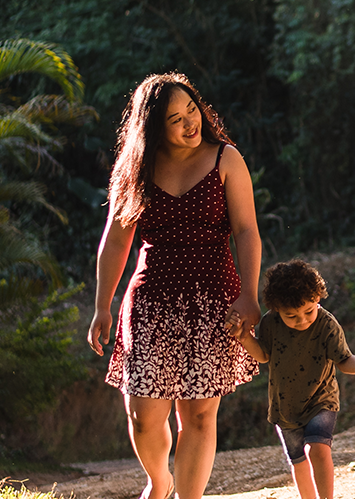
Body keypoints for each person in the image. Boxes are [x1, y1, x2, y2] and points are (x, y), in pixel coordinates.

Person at [87, 72, 264, 499]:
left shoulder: (226, 158)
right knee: (144, 415)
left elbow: (246, 231)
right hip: (150, 301)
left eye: (192, 110)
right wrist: (102, 306)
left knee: (199, 416)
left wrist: (249, 295)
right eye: (175, 120)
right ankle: (160, 481)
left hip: (213, 300)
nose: (190, 123)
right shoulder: (135, 168)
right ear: (152, 128)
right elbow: (115, 241)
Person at [235, 260, 355, 499]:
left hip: (321, 401)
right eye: (291, 315)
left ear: (318, 299)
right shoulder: (270, 323)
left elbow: (344, 360)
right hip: (285, 408)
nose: (302, 320)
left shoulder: (326, 325)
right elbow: (263, 355)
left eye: (308, 311)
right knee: (298, 460)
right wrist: (245, 339)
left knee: (318, 448)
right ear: (276, 310)